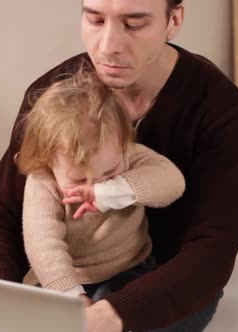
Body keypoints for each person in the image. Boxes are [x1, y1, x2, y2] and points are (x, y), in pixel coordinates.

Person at [0, 0, 238, 331]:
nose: (108, 47)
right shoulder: (51, 99)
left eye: (133, 25)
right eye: (95, 20)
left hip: (172, 286)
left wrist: (114, 314)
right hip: (78, 285)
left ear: (173, 20)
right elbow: (3, 218)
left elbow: (211, 251)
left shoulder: (222, 110)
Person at [16, 68, 185, 306]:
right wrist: (71, 294)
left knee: (117, 313)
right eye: (78, 179)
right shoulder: (42, 181)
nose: (95, 185)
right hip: (69, 278)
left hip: (131, 268)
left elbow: (173, 182)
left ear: (124, 144)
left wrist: (113, 191)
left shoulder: (126, 154)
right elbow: (42, 244)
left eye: (108, 172)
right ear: (46, 161)